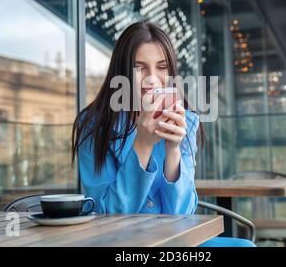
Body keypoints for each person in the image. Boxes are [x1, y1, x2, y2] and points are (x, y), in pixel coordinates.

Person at [71, 21, 255, 247]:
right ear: (121, 73)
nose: (152, 79)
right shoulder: (93, 125)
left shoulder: (184, 121)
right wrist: (142, 145)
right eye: (139, 68)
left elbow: (184, 214)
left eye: (161, 67)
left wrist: (173, 150)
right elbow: (104, 216)